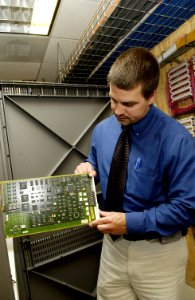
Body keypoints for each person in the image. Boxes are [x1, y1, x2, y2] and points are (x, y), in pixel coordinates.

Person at [74, 47, 195, 300]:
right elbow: (95, 160)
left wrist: (129, 222)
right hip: (112, 250)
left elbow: (187, 208)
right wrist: (88, 168)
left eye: (128, 103)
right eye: (113, 100)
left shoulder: (177, 141)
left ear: (151, 96)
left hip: (159, 255)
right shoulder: (102, 130)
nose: (118, 110)